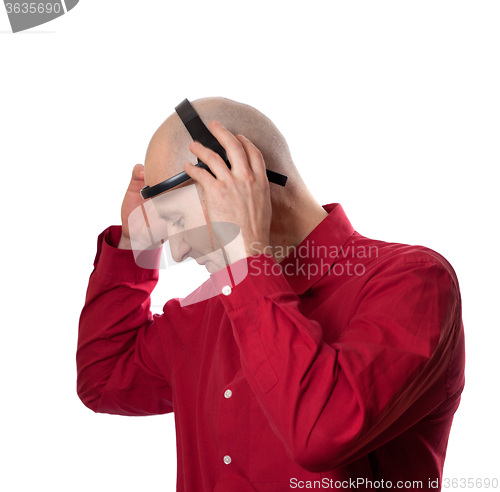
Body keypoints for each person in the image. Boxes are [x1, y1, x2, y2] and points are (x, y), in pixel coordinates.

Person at [77, 97, 465, 491]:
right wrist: (131, 241)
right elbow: (104, 377)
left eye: (176, 220)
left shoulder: (414, 283)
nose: (175, 252)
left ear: (238, 175)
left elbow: (318, 434)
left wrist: (246, 256)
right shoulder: (213, 304)